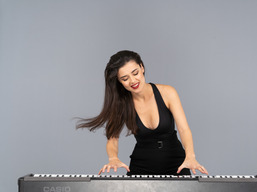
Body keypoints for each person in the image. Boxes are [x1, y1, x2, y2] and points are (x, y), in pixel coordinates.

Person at [76, 50, 208, 175]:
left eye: (135, 73)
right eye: (125, 78)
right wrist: (113, 158)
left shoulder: (168, 93)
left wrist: (190, 156)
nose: (133, 81)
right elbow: (112, 138)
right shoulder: (121, 103)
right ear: (119, 81)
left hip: (177, 165)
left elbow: (184, 129)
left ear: (142, 67)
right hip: (141, 166)